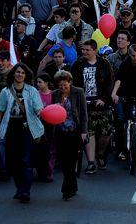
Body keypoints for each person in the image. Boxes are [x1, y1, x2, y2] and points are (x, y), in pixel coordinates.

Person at [0, 63, 44, 203]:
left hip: (27, 128)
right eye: (18, 72)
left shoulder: (32, 91)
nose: (20, 74)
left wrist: (40, 112)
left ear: (26, 75)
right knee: (13, 161)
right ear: (13, 74)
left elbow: (39, 108)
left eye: (22, 72)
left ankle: (25, 191)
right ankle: (19, 187)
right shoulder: (6, 91)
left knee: (26, 160)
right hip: (10, 128)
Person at [70, 40, 115, 174]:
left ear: (94, 51)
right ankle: (90, 163)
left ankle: (100, 154)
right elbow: (72, 83)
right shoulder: (77, 64)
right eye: (83, 50)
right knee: (89, 133)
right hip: (84, 105)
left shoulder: (104, 64)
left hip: (102, 104)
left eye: (87, 50)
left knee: (105, 133)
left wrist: (104, 99)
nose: (84, 52)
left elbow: (110, 82)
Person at [52, 70, 88, 201]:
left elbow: (84, 114)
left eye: (65, 85)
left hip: (74, 131)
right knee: (63, 160)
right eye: (60, 85)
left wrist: (84, 131)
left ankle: (67, 188)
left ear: (70, 83)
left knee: (71, 161)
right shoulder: (55, 94)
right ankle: (72, 187)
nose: (63, 88)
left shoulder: (78, 92)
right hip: (60, 131)